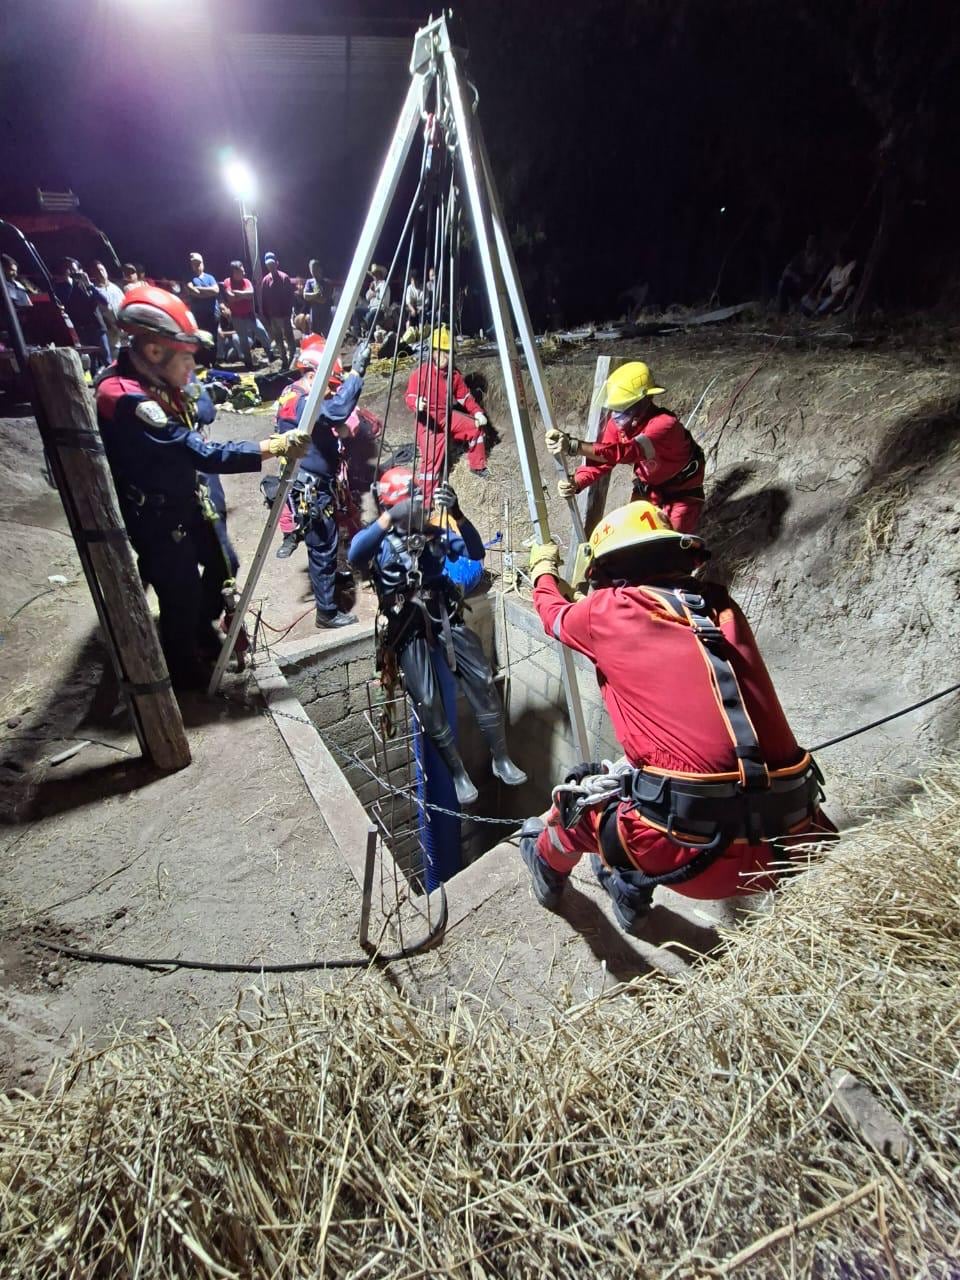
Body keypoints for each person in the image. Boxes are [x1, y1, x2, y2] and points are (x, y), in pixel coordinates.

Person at [519, 502, 834, 933]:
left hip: (690, 857)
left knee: (578, 809)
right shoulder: (720, 606)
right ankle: (628, 891)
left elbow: (553, 615)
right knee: (641, 781)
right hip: (790, 843)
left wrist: (542, 571)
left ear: (606, 571)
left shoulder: (605, 611)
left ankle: (550, 867)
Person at [95, 284, 307, 687]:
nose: (193, 367)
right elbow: (201, 452)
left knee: (225, 562)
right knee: (180, 592)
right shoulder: (125, 398)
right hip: (156, 515)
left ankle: (201, 629)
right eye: (186, 357)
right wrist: (273, 445)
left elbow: (203, 407)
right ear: (154, 351)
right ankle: (185, 670)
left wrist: (188, 384)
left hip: (186, 498)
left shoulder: (160, 376)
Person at [348, 470, 526, 805]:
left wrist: (457, 513)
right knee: (428, 699)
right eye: (411, 504)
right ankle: (457, 773)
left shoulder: (433, 533)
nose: (419, 509)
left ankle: (500, 757)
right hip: (405, 623)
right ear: (393, 505)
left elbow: (475, 552)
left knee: (481, 676)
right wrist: (389, 518)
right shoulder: (380, 540)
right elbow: (355, 554)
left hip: (442, 613)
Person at [273, 337, 371, 627]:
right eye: (329, 385)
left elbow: (325, 420)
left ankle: (328, 584)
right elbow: (335, 411)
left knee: (326, 542)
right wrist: (356, 375)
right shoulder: (302, 401)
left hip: (313, 482)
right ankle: (326, 612)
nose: (331, 391)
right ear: (312, 375)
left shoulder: (292, 394)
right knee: (322, 546)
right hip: (311, 488)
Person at [546, 362, 705, 534]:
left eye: (623, 408)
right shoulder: (619, 425)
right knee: (634, 537)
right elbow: (603, 461)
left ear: (645, 401)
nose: (616, 415)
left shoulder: (664, 425)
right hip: (648, 492)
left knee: (672, 542)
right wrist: (576, 482)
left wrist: (574, 446)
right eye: (614, 409)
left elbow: (628, 452)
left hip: (681, 495)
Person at [405, 326, 489, 501]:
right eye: (441, 351)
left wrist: (477, 412)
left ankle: (477, 465)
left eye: (448, 352)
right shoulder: (421, 373)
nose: (445, 356)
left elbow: (464, 397)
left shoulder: (454, 375)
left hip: (447, 417)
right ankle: (427, 500)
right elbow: (410, 395)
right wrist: (416, 403)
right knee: (431, 462)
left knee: (475, 428)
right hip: (428, 422)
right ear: (433, 352)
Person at [52, 258, 112, 367]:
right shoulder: (62, 288)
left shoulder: (87, 285)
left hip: (97, 328)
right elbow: (66, 304)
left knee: (107, 360)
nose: (73, 273)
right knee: (91, 363)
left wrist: (89, 285)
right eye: (69, 270)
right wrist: (70, 284)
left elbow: (104, 301)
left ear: (81, 271)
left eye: (75, 270)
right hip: (82, 330)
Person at [221, 261, 270, 369]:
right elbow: (230, 297)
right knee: (243, 340)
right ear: (234, 272)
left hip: (250, 315)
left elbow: (251, 294)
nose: (244, 273)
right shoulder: (228, 282)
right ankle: (249, 363)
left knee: (262, 332)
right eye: (241, 271)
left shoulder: (246, 281)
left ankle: (270, 354)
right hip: (237, 317)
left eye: (243, 271)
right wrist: (243, 295)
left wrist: (238, 294)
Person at [183, 252, 220, 366]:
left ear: (203, 264)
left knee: (213, 338)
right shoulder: (189, 278)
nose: (197, 266)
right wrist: (207, 292)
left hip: (212, 314)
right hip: (199, 315)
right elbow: (193, 292)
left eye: (199, 263)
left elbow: (216, 291)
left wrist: (199, 290)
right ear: (191, 265)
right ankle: (204, 363)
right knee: (201, 338)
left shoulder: (210, 277)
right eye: (194, 264)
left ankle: (213, 362)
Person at [260, 252, 296, 367]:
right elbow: (264, 299)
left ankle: (293, 357)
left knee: (289, 337)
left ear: (277, 263)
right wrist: (266, 315)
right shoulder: (265, 280)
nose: (270, 267)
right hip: (273, 316)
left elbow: (290, 297)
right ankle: (284, 359)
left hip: (284, 315)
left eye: (272, 264)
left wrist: (288, 313)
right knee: (278, 339)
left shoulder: (284, 278)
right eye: (268, 265)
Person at [803, 246, 857, 316]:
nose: (838, 259)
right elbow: (825, 284)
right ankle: (812, 310)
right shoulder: (835, 268)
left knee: (831, 300)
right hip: (830, 296)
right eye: (837, 257)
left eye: (840, 256)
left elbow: (848, 284)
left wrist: (837, 293)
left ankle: (818, 313)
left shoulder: (851, 266)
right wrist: (820, 291)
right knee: (807, 300)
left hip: (839, 297)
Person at [776, 234, 823, 314]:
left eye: (812, 241)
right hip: (799, 281)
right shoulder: (801, 255)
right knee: (784, 282)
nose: (809, 243)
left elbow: (820, 274)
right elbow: (788, 269)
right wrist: (797, 278)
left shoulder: (819, 257)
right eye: (808, 241)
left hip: (811, 283)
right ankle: (783, 311)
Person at [89, 260, 125, 357]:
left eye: (102, 270)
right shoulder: (94, 291)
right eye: (97, 271)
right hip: (110, 334)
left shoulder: (116, 288)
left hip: (123, 332)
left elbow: (124, 305)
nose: (101, 273)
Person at [302, 260, 331, 337]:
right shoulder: (309, 282)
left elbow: (323, 300)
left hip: (325, 314)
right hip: (314, 315)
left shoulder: (326, 283)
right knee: (315, 335)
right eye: (312, 269)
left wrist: (311, 297)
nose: (314, 271)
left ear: (320, 269)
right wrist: (316, 295)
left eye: (315, 269)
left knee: (327, 335)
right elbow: (305, 296)